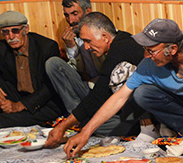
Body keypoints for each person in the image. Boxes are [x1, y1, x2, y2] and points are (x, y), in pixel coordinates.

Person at [63, 19, 183, 157]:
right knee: (143, 93)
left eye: (151, 51)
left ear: (173, 50)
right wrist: (85, 132)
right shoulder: (148, 64)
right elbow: (119, 97)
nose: (145, 55)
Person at [44, 12, 145, 148]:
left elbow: (100, 95)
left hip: (132, 113)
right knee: (54, 64)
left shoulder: (120, 50)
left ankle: (83, 121)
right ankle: (81, 118)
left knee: (91, 125)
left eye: (88, 41)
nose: (86, 47)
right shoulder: (118, 38)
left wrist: (64, 126)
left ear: (105, 37)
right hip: (97, 93)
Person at [46, 0, 101, 86]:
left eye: (75, 14)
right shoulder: (73, 38)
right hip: (85, 85)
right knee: (53, 64)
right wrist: (71, 47)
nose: (71, 21)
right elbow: (79, 72)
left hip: (103, 85)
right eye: (66, 15)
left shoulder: (101, 33)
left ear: (88, 11)